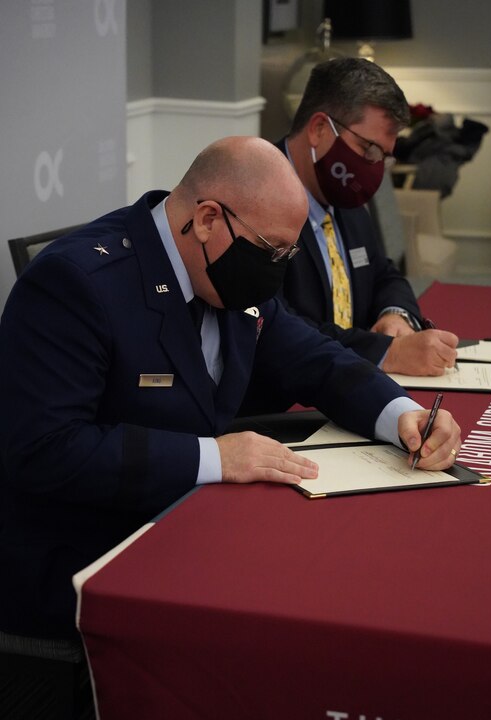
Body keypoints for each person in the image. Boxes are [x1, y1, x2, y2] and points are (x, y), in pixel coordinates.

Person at [0, 136, 460, 638]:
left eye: (289, 252)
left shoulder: (232, 271)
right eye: (271, 251)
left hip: (192, 524)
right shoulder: (78, 283)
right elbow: (46, 449)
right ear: (207, 220)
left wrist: (400, 414)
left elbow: (316, 360)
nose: (278, 269)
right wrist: (217, 458)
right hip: (90, 555)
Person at [274, 57, 459, 377]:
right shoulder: (255, 200)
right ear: (319, 129)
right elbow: (277, 327)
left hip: (354, 389)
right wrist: (386, 353)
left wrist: (395, 315)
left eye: (383, 158)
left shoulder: (344, 197)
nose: (374, 169)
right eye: (368, 150)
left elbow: (384, 274)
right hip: (283, 397)